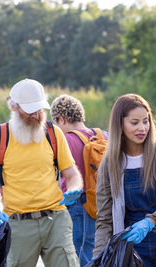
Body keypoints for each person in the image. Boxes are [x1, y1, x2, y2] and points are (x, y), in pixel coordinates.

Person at [0, 78, 83, 267]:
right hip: (17, 224)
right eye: (30, 109)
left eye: (40, 109)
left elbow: (72, 174)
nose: (36, 114)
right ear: (14, 107)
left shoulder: (54, 133)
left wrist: (74, 189)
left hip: (56, 219)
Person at [93, 94, 156, 266]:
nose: (142, 128)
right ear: (120, 124)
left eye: (146, 121)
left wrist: (150, 221)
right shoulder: (109, 164)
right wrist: (99, 259)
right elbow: (104, 219)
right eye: (134, 122)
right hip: (132, 247)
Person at [50, 94, 107, 266]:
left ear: (61, 119)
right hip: (103, 203)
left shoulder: (64, 140)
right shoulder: (104, 136)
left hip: (77, 204)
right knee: (98, 250)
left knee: (76, 253)